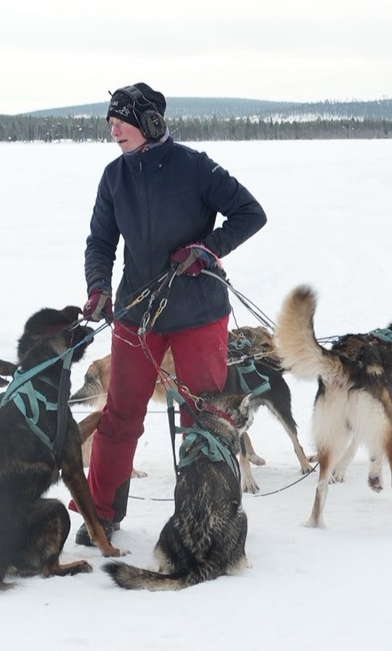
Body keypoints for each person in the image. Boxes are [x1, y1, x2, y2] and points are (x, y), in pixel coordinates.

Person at [72, 82, 267, 546]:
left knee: (203, 416)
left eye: (122, 120)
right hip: (137, 316)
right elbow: (100, 242)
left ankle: (211, 507)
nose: (113, 128)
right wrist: (99, 286)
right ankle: (101, 513)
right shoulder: (113, 177)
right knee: (120, 415)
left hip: (199, 313)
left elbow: (249, 212)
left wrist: (208, 248)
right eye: (110, 121)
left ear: (151, 123)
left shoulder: (195, 168)